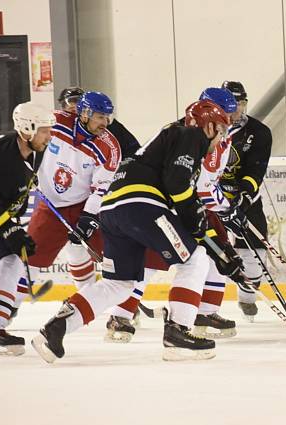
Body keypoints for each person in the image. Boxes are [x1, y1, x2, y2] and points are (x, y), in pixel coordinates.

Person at [32, 99, 243, 363]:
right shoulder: (191, 134)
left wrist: (218, 245)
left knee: (118, 284)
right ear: (209, 125)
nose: (220, 137)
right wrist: (205, 233)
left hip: (112, 209)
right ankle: (178, 334)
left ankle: (54, 330)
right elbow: (178, 186)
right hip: (142, 205)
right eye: (221, 130)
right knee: (195, 259)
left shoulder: (172, 136)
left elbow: (183, 197)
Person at [103, 87, 242, 342]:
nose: (230, 122)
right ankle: (177, 324)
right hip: (161, 203)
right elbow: (185, 184)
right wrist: (220, 209)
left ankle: (194, 313)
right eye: (226, 116)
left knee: (182, 257)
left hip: (161, 202)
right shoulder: (189, 134)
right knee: (192, 257)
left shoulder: (200, 134)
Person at [0, 101, 54, 356]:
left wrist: (13, 227)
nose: (48, 136)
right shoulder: (6, 158)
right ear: (27, 129)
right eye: (44, 131)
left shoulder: (25, 152)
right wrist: (10, 230)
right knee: (8, 262)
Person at [28, 91, 121, 289]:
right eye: (100, 117)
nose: (105, 122)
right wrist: (25, 166)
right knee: (31, 258)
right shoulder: (55, 122)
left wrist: (88, 217)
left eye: (107, 117)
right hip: (50, 203)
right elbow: (27, 139)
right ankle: (9, 303)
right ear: (85, 113)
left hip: (84, 203)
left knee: (114, 254)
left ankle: (113, 303)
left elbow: (101, 189)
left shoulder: (109, 147)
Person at [219, 80, 273, 322]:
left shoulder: (259, 132)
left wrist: (244, 195)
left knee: (254, 254)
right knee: (208, 253)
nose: (238, 109)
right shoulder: (207, 128)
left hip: (245, 200)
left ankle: (247, 297)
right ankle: (203, 309)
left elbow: (256, 169)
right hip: (213, 200)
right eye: (233, 103)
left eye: (241, 103)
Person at [58, 86, 141, 158]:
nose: (77, 115)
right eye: (72, 111)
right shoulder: (58, 131)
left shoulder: (110, 128)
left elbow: (134, 152)